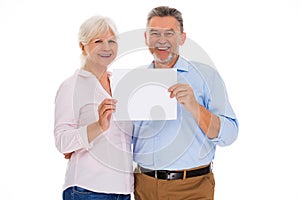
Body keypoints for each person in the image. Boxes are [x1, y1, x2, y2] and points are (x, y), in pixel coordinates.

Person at [132, 6, 239, 200]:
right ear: (146, 38)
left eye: (170, 33)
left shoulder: (206, 76)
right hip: (144, 186)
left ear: (182, 38)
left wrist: (194, 107)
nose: (162, 40)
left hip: (193, 187)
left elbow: (229, 134)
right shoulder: (134, 82)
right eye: (154, 33)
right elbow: (123, 138)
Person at [54, 15, 133, 200]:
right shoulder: (71, 86)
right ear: (83, 46)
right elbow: (62, 142)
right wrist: (98, 126)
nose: (107, 47)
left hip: (123, 191)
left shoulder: (123, 85)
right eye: (98, 41)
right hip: (88, 190)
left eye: (111, 41)